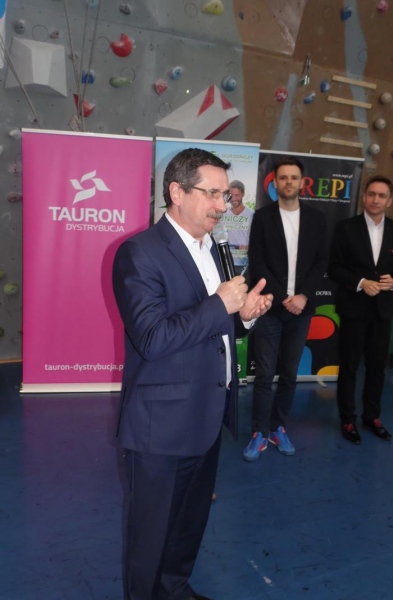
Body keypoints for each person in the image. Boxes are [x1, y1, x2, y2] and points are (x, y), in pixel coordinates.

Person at [112, 148, 273, 600]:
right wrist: (221, 304)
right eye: (213, 194)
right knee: (149, 537)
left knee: (188, 523)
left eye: (226, 194)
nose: (223, 205)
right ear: (177, 192)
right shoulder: (140, 253)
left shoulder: (214, 249)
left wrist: (244, 318)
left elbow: (214, 326)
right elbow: (153, 338)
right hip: (160, 427)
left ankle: (175, 589)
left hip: (207, 415)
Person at [242, 157, 328, 461]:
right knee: (265, 375)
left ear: (302, 183)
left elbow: (321, 262)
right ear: (275, 183)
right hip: (270, 307)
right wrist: (283, 299)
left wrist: (302, 296)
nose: (288, 182)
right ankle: (259, 432)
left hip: (302, 310)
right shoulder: (263, 217)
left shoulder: (317, 219)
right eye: (283, 177)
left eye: (293, 177)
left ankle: (278, 427)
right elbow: (258, 262)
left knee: (290, 374)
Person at [328, 175, 393, 444]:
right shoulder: (345, 228)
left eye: (381, 195)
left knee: (377, 367)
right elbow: (334, 267)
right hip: (353, 308)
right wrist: (361, 282)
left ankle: (372, 416)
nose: (375, 199)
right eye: (371, 194)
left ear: (390, 201)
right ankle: (348, 419)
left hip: (382, 310)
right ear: (364, 197)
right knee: (349, 367)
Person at [219, 180, 254, 274]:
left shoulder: (251, 215)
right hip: (226, 263)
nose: (233, 198)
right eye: (231, 195)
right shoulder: (222, 214)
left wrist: (249, 247)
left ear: (243, 194)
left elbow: (258, 240)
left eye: (237, 195)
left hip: (245, 264)